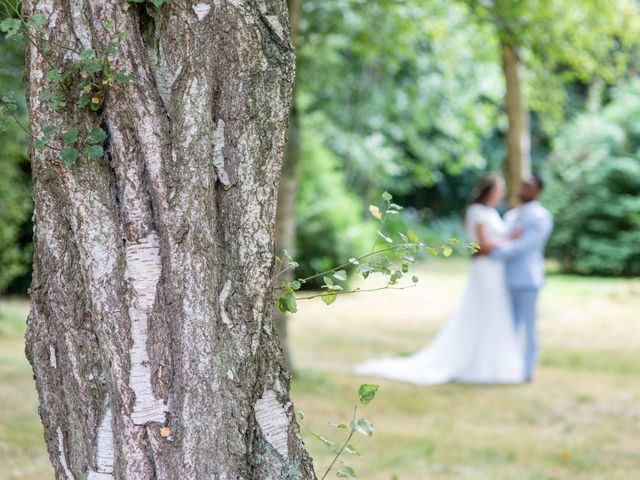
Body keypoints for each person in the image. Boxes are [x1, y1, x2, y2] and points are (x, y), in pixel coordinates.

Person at [354, 175, 525, 385]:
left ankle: (492, 362)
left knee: (496, 312)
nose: (502, 193)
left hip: (496, 270)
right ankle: (477, 363)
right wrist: (513, 240)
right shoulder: (477, 212)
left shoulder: (492, 213)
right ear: (489, 191)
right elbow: (484, 245)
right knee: (484, 309)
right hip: (484, 269)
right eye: (499, 189)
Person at [488, 175, 553, 382]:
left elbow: (526, 245)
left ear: (537, 191)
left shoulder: (541, 216)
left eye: (528, 186)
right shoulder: (511, 215)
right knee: (510, 325)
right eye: (521, 184)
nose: (522, 188)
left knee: (529, 325)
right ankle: (510, 365)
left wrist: (493, 253)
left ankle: (527, 371)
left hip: (527, 279)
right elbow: (505, 238)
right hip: (505, 279)